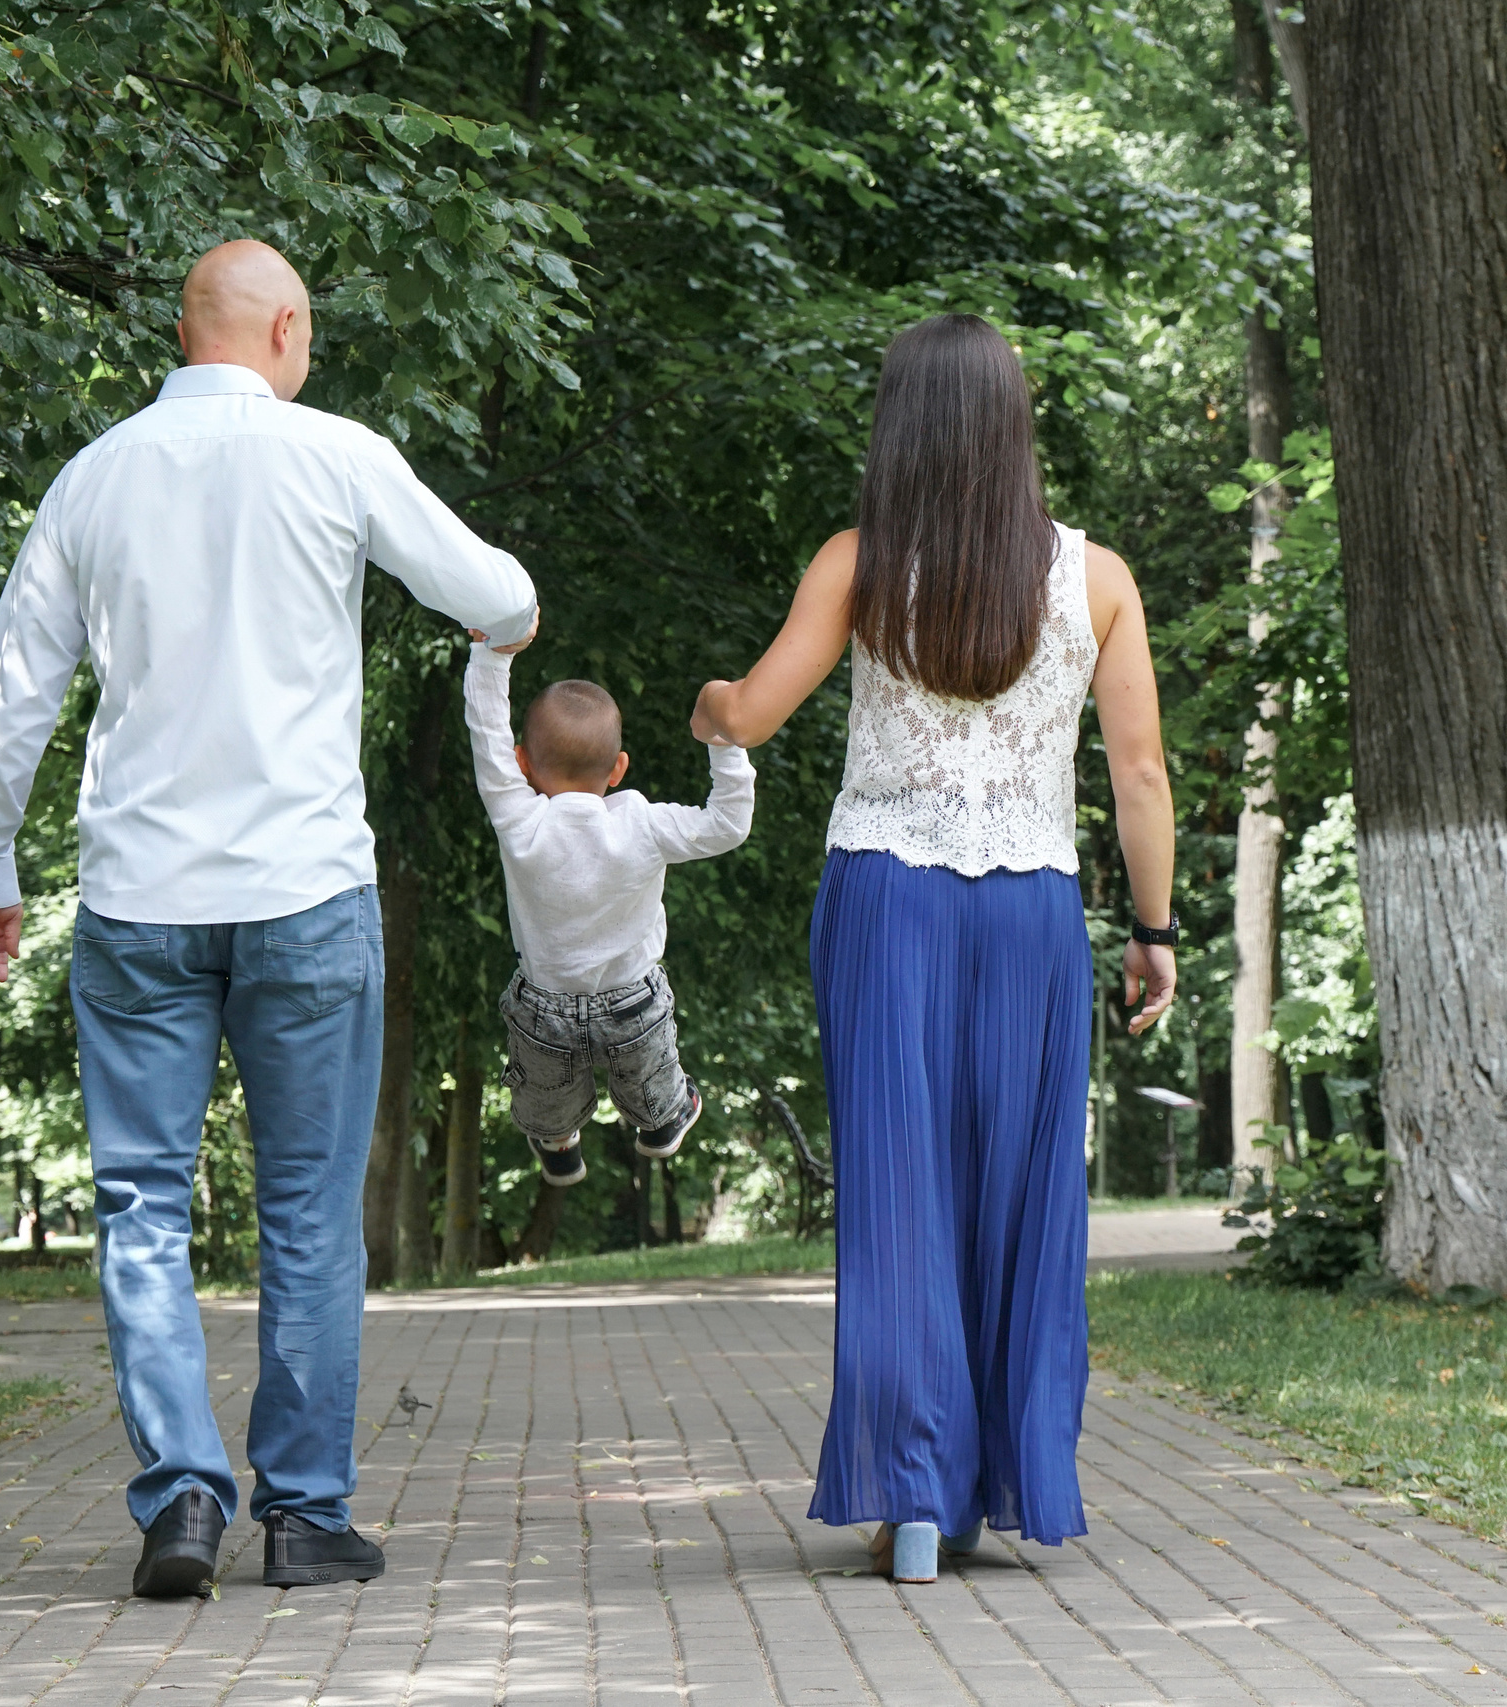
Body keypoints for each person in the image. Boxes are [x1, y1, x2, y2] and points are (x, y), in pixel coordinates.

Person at [0, 239, 538, 1599]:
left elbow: (13, 696)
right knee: (311, 1212)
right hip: (306, 898)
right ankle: (307, 1512)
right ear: (283, 328)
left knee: (140, 1206)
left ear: (178, 328)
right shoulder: (337, 457)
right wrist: (509, 633)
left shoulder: (93, 477)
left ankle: (181, 1499)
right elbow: (497, 596)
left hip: (139, 904)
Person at [688, 314, 1176, 1583]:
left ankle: (911, 1497)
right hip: (1031, 914)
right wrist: (1155, 930)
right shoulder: (1098, 580)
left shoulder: (857, 565)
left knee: (900, 1190)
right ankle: (1001, 1481)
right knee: (1017, 1192)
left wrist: (708, 712)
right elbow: (1139, 776)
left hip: (886, 899)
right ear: (1015, 426)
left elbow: (754, 709)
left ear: (899, 424)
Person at [462, 639, 753, 1187]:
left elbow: (486, 732)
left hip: (543, 1002)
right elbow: (728, 825)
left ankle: (556, 1141)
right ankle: (663, 1123)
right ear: (618, 768)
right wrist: (724, 742)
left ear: (521, 763)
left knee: (546, 1096)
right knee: (654, 1083)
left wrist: (491, 657)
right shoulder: (642, 824)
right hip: (633, 1001)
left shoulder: (518, 819)